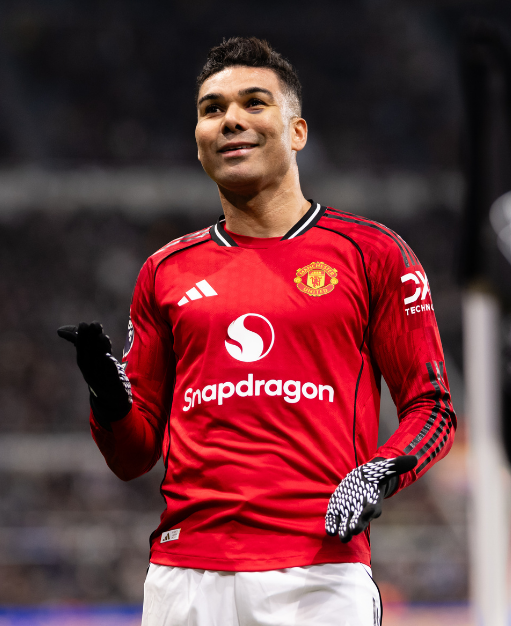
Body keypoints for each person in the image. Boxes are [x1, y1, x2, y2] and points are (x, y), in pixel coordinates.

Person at [59, 37, 456, 626]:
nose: (230, 121)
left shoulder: (372, 254)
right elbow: (133, 455)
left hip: (317, 576)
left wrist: (380, 472)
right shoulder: (165, 271)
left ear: (297, 131)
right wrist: (106, 395)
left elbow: (432, 407)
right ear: (197, 142)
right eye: (212, 109)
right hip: (183, 579)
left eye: (253, 103)